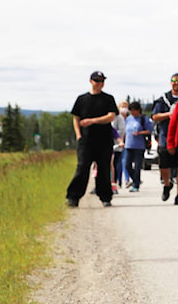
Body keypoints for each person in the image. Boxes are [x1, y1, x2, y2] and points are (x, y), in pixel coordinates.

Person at [65, 71, 118, 207]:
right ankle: (73, 197)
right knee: (82, 167)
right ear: (91, 81)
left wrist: (93, 121)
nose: (100, 83)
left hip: (104, 140)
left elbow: (111, 116)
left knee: (103, 169)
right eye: (97, 81)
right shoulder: (82, 99)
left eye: (102, 81)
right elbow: (76, 118)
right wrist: (78, 135)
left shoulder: (108, 99)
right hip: (86, 141)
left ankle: (105, 196)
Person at [152, 73, 178, 205]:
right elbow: (155, 117)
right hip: (165, 137)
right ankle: (167, 184)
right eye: (174, 81)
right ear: (170, 83)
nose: (176, 83)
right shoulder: (163, 99)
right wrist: (169, 114)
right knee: (164, 166)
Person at [123, 101, 153, 192]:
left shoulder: (144, 119)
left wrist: (140, 133)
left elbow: (149, 130)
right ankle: (136, 180)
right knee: (127, 165)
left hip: (139, 146)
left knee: (137, 166)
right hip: (128, 145)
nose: (132, 112)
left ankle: (136, 185)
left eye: (134, 110)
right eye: (130, 110)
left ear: (138, 110)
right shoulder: (128, 119)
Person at [111, 100, 129, 192]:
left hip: (118, 145)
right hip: (107, 144)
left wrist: (118, 140)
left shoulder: (119, 118)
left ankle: (116, 183)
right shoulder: (109, 117)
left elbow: (120, 131)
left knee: (116, 165)